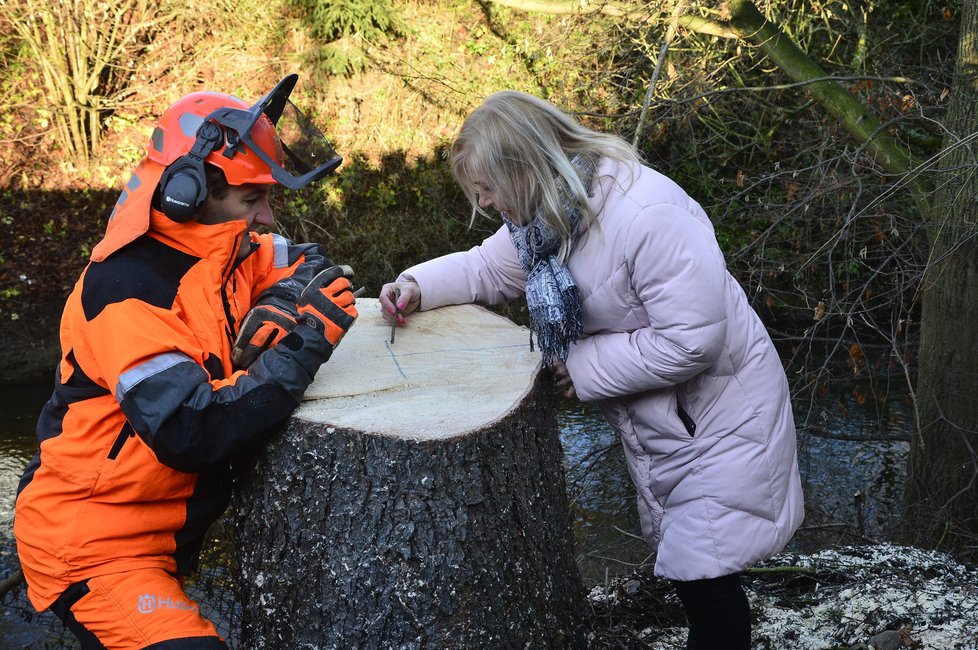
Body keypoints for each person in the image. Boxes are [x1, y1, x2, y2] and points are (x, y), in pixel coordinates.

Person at [379, 90, 804, 649]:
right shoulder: (548, 220)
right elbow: (487, 267)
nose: (483, 202)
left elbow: (693, 341)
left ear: (524, 167)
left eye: (486, 187)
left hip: (719, 417)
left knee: (706, 573)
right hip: (672, 420)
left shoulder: (648, 214)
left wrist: (583, 366)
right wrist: (417, 286)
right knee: (699, 568)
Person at [14, 74, 359, 649]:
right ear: (188, 190)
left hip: (159, 528)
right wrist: (302, 344)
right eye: (253, 199)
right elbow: (191, 430)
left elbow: (306, 262)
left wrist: (275, 309)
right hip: (94, 546)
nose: (267, 217)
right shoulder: (126, 290)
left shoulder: (222, 251)